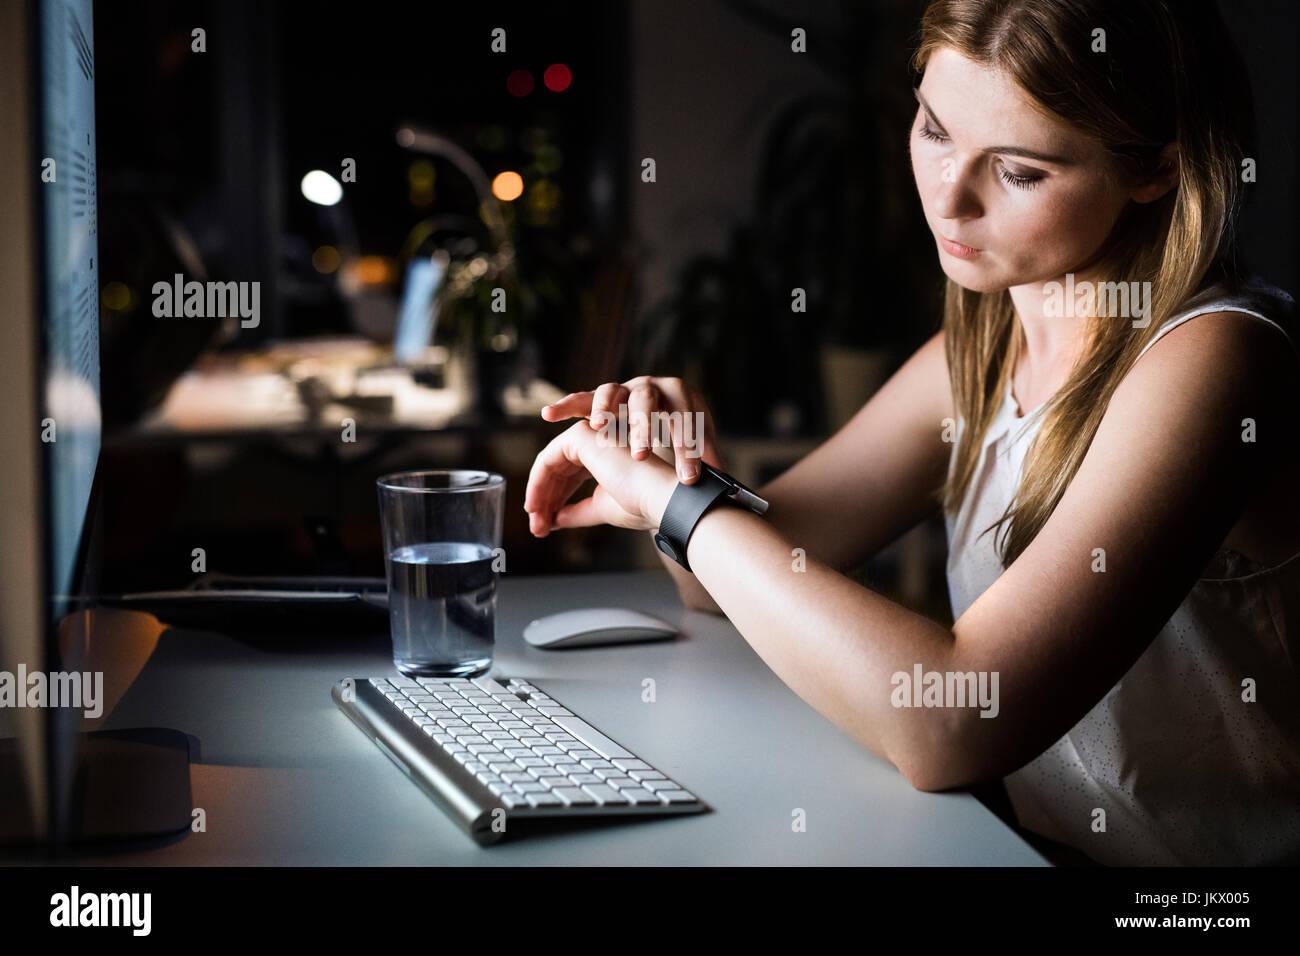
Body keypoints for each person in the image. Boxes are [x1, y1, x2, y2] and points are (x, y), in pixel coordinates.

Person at [522, 0, 1300, 866]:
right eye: (934, 129)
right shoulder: (978, 346)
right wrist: (675, 471)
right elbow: (734, 578)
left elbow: (953, 721)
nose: (947, 198)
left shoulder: (1220, 358)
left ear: (1157, 169)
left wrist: (682, 509)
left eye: (1019, 172)